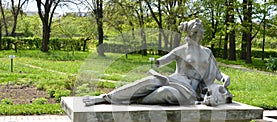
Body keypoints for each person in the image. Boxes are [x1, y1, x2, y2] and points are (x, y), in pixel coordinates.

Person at [83, 18, 232, 106]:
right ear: (189, 33)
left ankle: (134, 100)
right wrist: (152, 62)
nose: (198, 35)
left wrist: (225, 77)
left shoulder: (207, 52)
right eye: (195, 32)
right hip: (175, 79)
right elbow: (160, 62)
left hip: (190, 91)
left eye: (200, 32)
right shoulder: (181, 50)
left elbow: (218, 74)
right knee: (149, 81)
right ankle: (105, 98)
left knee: (165, 92)